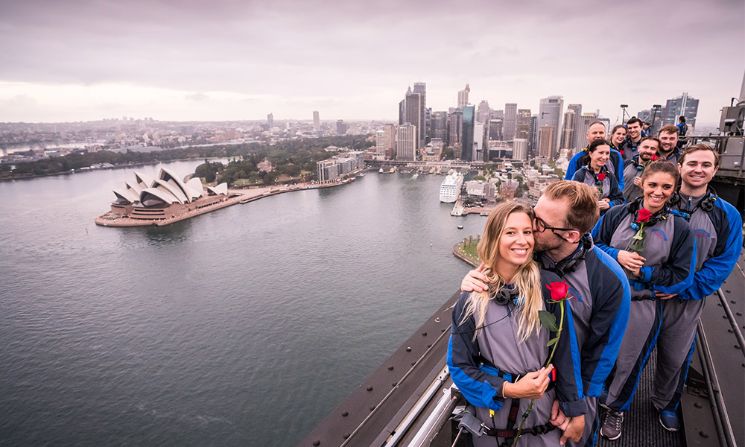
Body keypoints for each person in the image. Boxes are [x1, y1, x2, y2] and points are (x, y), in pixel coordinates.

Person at [460, 182, 631, 446]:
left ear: (572, 235)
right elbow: (491, 271)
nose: (531, 227)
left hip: (573, 390)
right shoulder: (524, 257)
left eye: (539, 224)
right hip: (525, 391)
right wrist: (471, 281)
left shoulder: (610, 280)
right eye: (533, 213)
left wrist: (575, 406)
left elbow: (600, 355)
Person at [448, 201, 587, 446]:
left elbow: (566, 354)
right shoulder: (471, 300)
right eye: (511, 232)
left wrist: (576, 411)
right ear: (494, 238)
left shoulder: (549, 287)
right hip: (494, 425)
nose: (522, 240)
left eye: (527, 232)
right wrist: (509, 389)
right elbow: (460, 367)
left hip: (544, 420)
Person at [592, 161, 696, 441]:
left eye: (666, 187)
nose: (658, 192)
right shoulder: (616, 214)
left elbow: (683, 276)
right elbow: (592, 243)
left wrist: (646, 272)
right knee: (600, 352)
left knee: (630, 360)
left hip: (642, 303)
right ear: (641, 183)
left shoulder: (680, 229)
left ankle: (616, 408)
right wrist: (617, 255)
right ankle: (593, 397)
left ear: (674, 190)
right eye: (653, 185)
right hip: (608, 299)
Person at [651, 145, 742, 431]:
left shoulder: (726, 215)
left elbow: (723, 261)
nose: (698, 169)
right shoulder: (658, 200)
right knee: (629, 352)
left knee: (675, 356)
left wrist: (683, 288)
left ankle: (666, 403)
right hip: (647, 294)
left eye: (705, 164)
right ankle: (617, 403)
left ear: (714, 170)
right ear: (680, 166)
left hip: (686, 300)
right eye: (692, 163)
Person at [565, 122, 625, 192]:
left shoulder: (616, 155)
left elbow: (620, 182)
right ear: (587, 135)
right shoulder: (577, 158)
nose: (598, 135)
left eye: (601, 133)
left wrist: (610, 199)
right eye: (594, 133)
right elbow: (568, 184)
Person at [570, 139, 623, 213]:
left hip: (603, 221)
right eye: (601, 153)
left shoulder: (609, 176)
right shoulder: (580, 175)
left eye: (607, 153)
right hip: (584, 220)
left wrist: (609, 204)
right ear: (591, 154)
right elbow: (571, 200)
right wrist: (592, 204)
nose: (604, 157)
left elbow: (620, 199)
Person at [622, 137, 661, 203]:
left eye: (652, 149)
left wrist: (643, 186)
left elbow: (658, 192)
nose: (648, 151)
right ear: (639, 148)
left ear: (656, 151)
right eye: (645, 147)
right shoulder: (626, 163)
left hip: (638, 207)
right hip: (619, 204)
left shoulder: (657, 171)